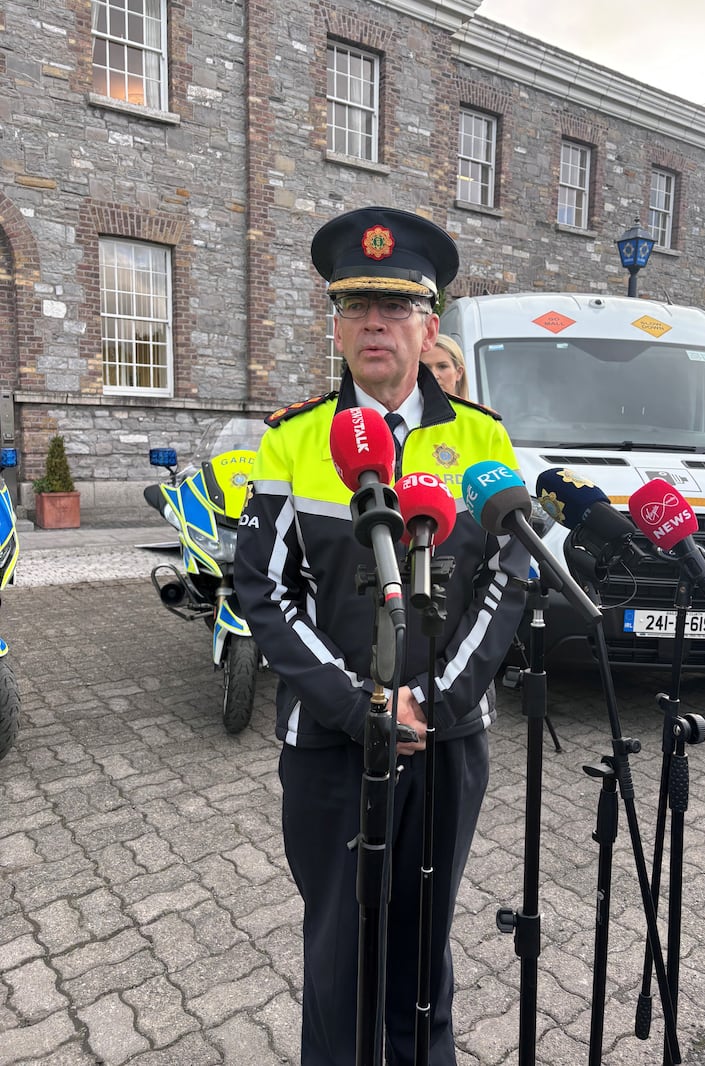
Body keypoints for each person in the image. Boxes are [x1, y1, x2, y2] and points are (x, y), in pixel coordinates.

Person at [234, 206, 528, 1066]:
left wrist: (436, 701)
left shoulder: (483, 438)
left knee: (422, 957)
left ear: (427, 324)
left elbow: (508, 582)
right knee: (337, 956)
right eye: (356, 306)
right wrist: (357, 703)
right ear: (335, 322)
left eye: (394, 308)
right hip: (331, 746)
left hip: (444, 745)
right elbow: (264, 588)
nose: (374, 323)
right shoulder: (291, 441)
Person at [421, 333, 469, 398]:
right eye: (426, 368)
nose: (434, 376)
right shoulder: (406, 407)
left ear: (459, 373)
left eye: (442, 367)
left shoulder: (472, 408)